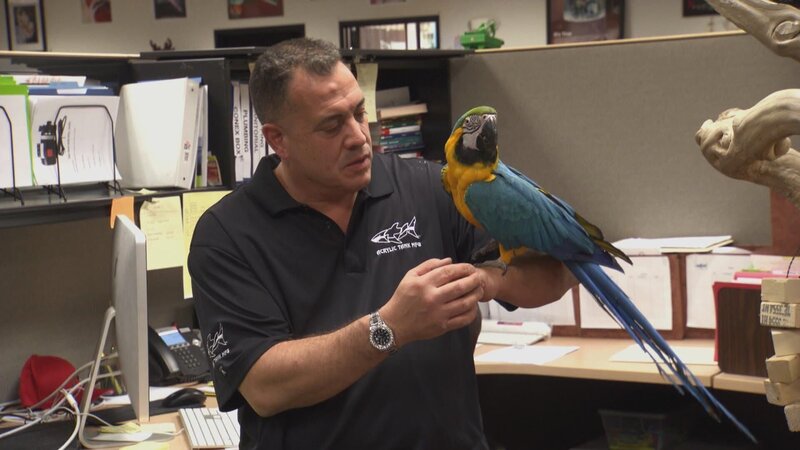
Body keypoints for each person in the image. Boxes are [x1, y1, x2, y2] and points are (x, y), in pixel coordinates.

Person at [188, 37, 576, 449]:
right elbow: (264, 387)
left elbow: (561, 269)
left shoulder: (434, 188)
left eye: (359, 113)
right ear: (277, 140)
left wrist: (489, 282)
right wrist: (389, 327)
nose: (358, 136)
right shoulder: (227, 235)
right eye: (331, 126)